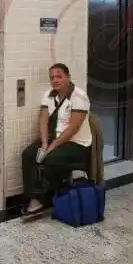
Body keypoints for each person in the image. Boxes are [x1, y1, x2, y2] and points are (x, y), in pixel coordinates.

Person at [21, 63, 93, 217]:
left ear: (68, 77)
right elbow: (43, 121)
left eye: (59, 76)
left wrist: (52, 146)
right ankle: (32, 197)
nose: (55, 80)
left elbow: (73, 128)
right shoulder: (49, 94)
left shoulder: (79, 96)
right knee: (28, 154)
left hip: (75, 144)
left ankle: (42, 200)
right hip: (53, 139)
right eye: (52, 77)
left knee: (49, 159)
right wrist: (44, 144)